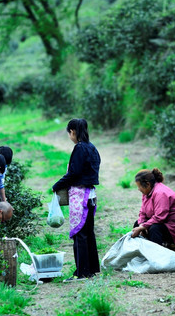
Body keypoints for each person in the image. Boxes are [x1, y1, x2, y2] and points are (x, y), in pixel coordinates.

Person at [52, 118, 101, 282]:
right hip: (90, 195)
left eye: (69, 133)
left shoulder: (79, 148)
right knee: (88, 233)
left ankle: (82, 272)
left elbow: (73, 173)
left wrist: (56, 185)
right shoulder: (92, 147)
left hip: (80, 196)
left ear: (72, 131)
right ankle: (92, 269)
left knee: (79, 234)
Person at [131, 168, 175, 247]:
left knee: (154, 229)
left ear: (147, 184)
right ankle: (142, 250)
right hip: (165, 222)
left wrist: (143, 227)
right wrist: (141, 225)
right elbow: (142, 212)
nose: (138, 189)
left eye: (139, 186)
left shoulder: (160, 193)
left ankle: (156, 255)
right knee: (137, 224)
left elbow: (160, 217)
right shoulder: (146, 192)